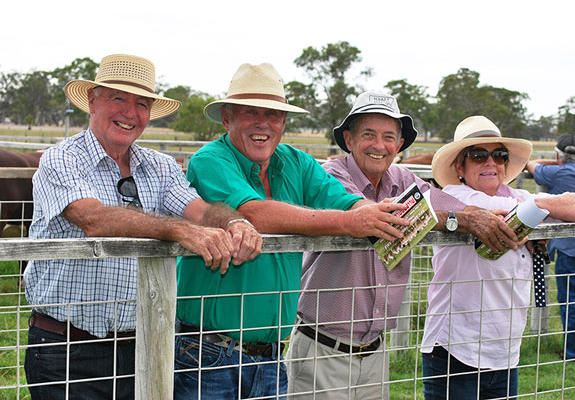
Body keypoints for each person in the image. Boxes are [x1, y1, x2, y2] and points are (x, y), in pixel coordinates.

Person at [23, 54, 262, 400]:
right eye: (118, 98)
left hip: (144, 345)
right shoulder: (62, 158)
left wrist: (234, 221)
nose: (130, 113)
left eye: (142, 103)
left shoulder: (160, 166)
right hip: (67, 347)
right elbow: (93, 218)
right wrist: (177, 231)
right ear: (92, 101)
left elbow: (199, 211)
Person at [173, 65, 415, 400]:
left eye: (273, 115)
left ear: (284, 123)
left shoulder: (296, 162)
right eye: (251, 113)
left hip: (271, 354)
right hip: (210, 351)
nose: (264, 124)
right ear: (227, 119)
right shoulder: (211, 160)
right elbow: (253, 212)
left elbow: (344, 201)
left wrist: (366, 212)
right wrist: (352, 222)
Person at [285, 92, 522, 400]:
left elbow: (451, 203)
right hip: (323, 346)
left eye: (388, 137)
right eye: (368, 135)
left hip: (374, 350)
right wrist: (459, 220)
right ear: (349, 139)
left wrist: (490, 217)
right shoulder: (331, 175)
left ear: (399, 144)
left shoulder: (402, 177)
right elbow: (384, 217)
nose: (379, 145)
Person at [420, 116, 575, 400]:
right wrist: (536, 214)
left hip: (505, 350)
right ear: (459, 166)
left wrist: (535, 206)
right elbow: (492, 208)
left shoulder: (521, 196)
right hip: (455, 346)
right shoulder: (451, 196)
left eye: (499, 155)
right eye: (478, 155)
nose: (491, 162)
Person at [526, 134, 575, 361]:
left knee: (571, 300)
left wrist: (551, 162)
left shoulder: (556, 172)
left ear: (558, 154)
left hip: (570, 246)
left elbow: (531, 165)